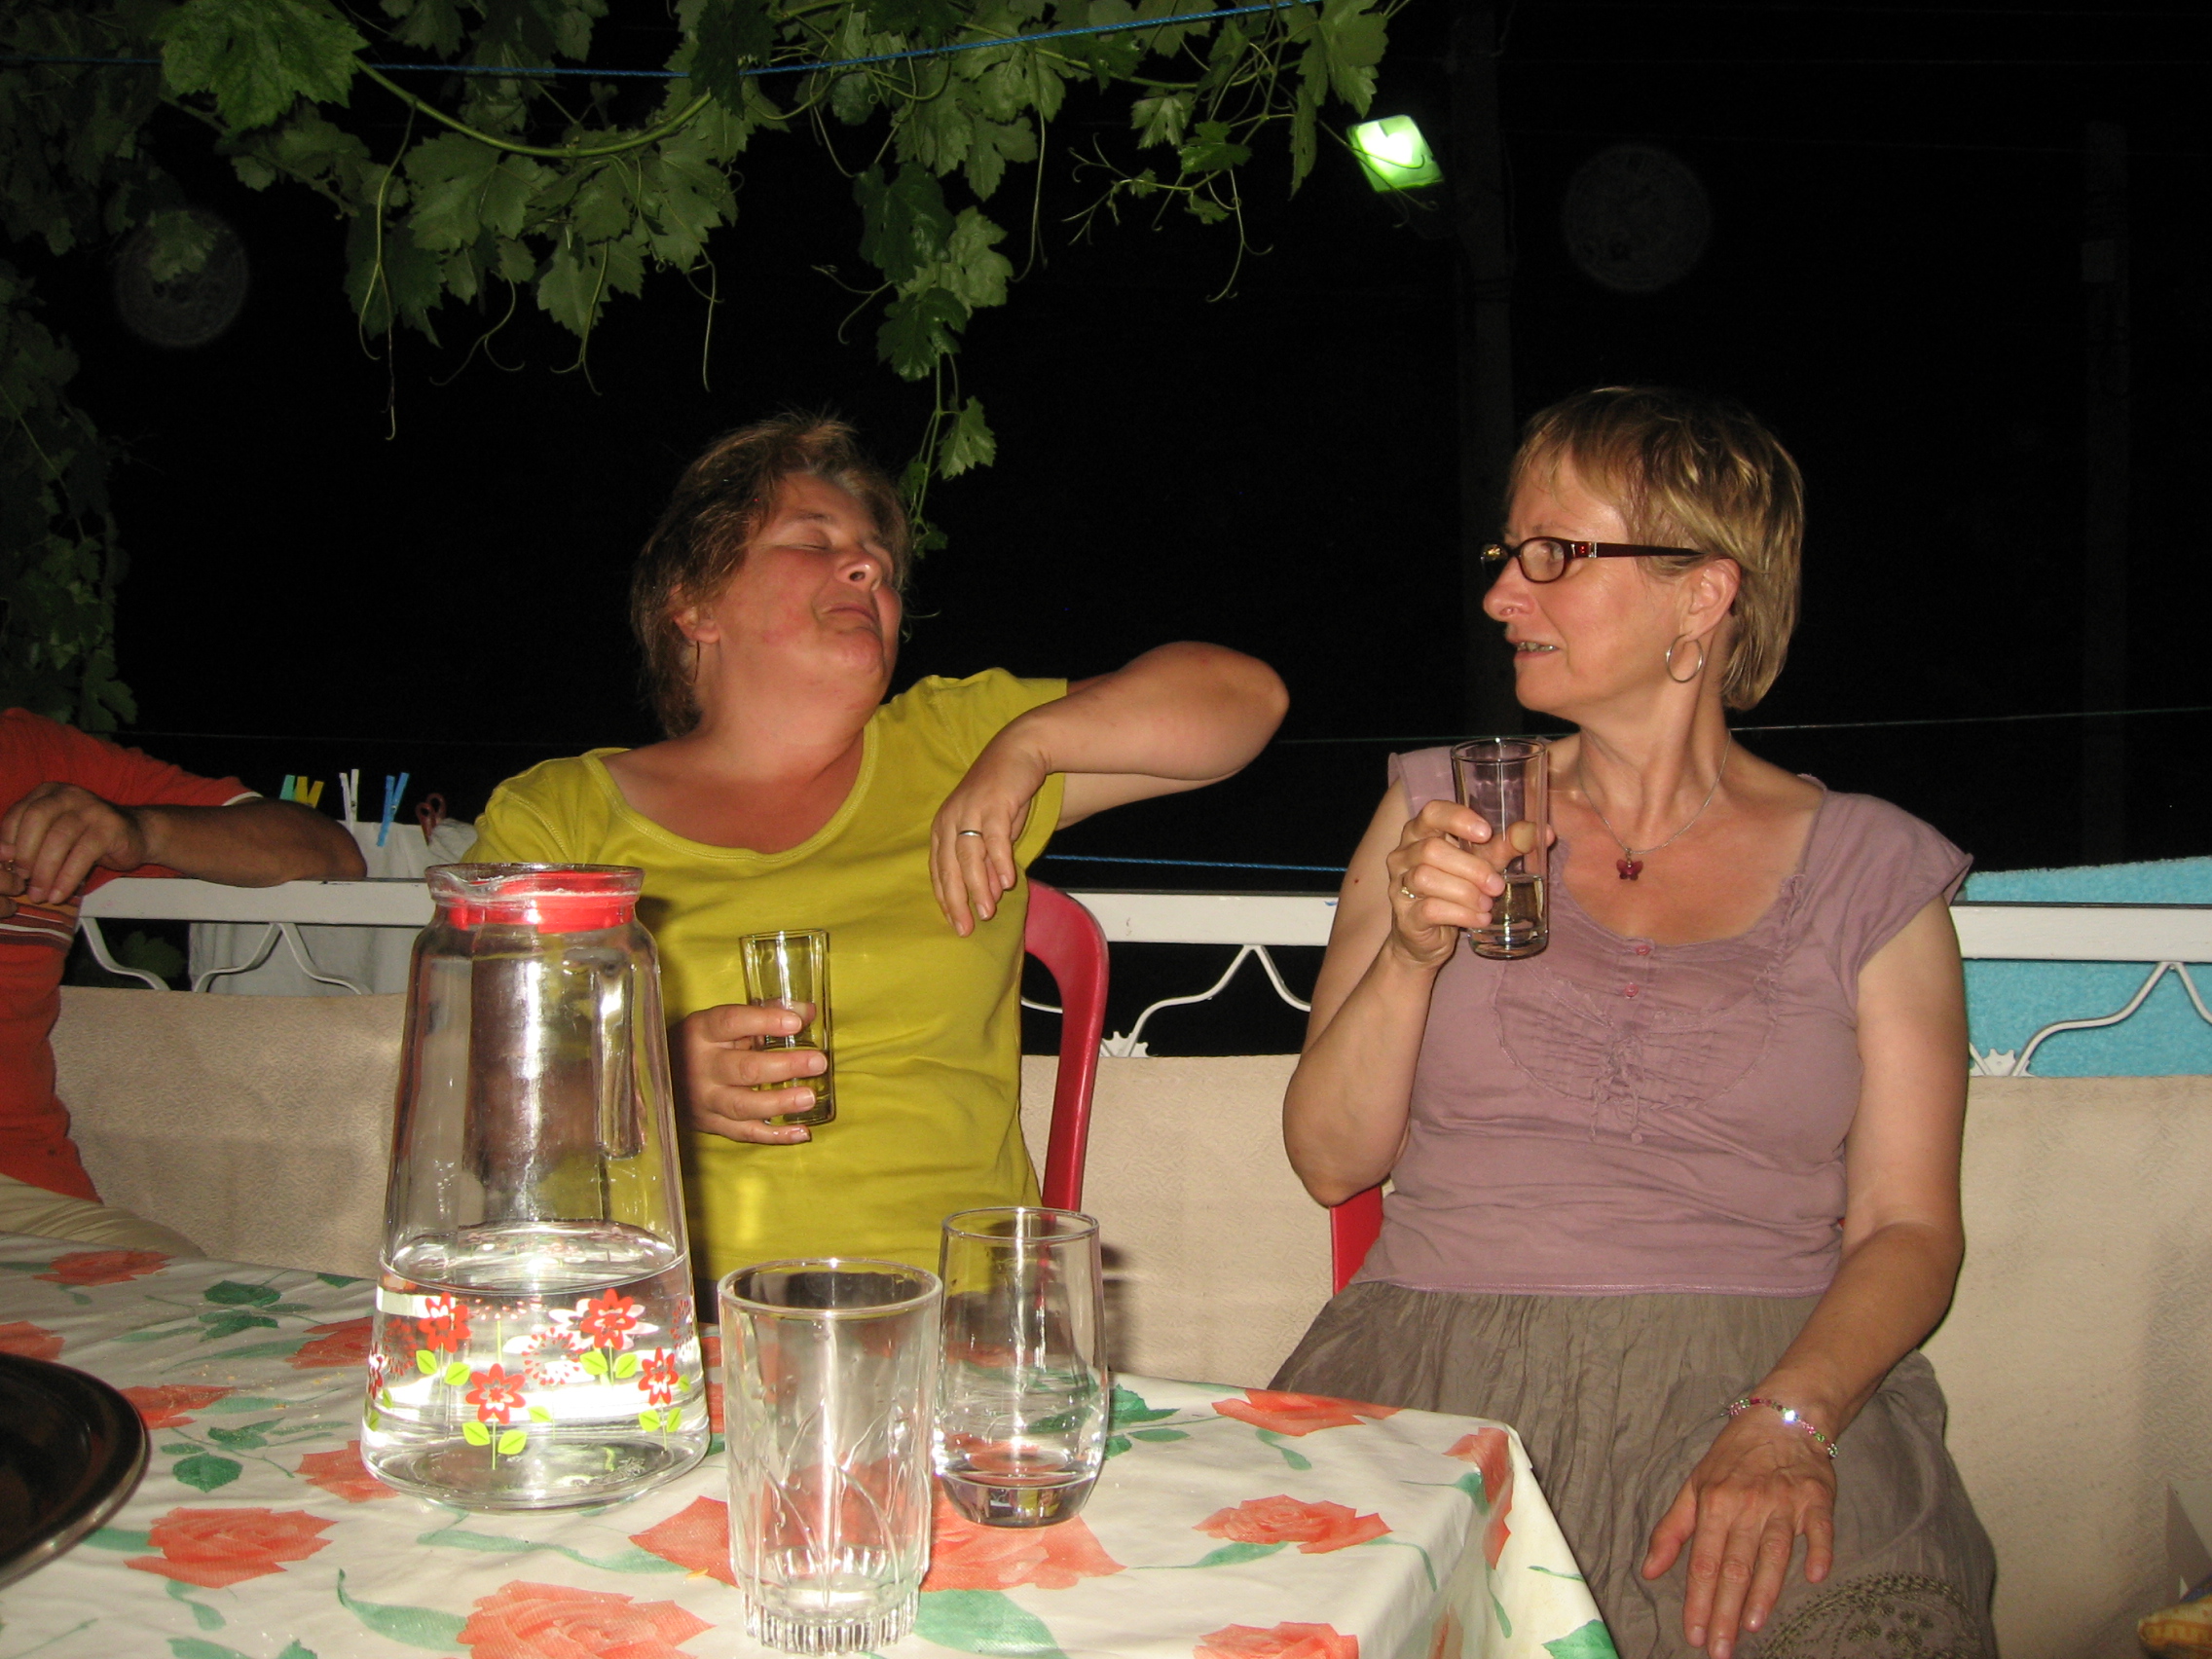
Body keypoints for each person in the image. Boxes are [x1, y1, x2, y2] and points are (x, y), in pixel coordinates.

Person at [1274, 387, 1994, 1657]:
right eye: (1507, 554)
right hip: (1439, 1373)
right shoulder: (1439, 811)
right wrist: (1411, 952)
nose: (1502, 594)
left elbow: (1907, 1228)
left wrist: (1789, 1421)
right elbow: (1332, 1161)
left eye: (1554, 553)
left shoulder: (1870, 870)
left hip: (1762, 1373)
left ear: (1701, 595)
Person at [467, 415, 1287, 1281]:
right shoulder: (560, 819)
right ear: (696, 605)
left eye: (881, 565)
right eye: (812, 541)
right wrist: (648, 1080)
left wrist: (1028, 747)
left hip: (956, 1314)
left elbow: (1245, 700)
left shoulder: (951, 745)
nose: (867, 569)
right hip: (670, 1319)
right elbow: (492, 1118)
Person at [0, 710, 367, 1251]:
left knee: (195, 1291)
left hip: (25, 1189)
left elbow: (330, 853)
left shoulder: (33, 758)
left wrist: (140, 830)